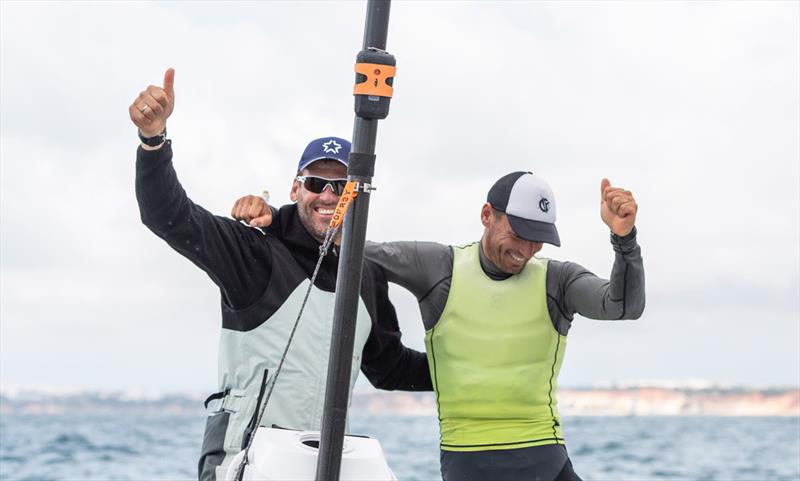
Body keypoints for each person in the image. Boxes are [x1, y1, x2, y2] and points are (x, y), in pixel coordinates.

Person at [233, 170, 645, 481]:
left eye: (538, 239)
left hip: (547, 461)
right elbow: (347, 248)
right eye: (518, 233)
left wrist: (624, 240)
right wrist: (277, 220)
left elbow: (623, 305)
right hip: (467, 464)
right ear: (487, 215)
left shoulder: (559, 280)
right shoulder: (439, 268)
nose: (526, 249)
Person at [129, 68, 431, 481]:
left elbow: (390, 367)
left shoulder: (367, 277)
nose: (328, 194)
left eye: (341, 184)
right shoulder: (254, 250)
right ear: (295, 189)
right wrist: (153, 141)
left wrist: (467, 368)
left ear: (356, 194)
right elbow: (169, 215)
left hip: (322, 464)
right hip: (243, 460)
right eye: (315, 182)